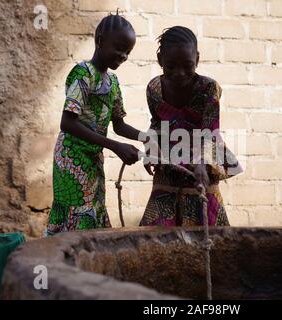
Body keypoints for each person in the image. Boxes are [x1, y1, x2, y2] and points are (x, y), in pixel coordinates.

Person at [46, 12, 144, 235]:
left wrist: (147, 138)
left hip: (93, 157)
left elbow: (119, 125)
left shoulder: (113, 82)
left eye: (128, 52)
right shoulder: (83, 74)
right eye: (119, 48)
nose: (123, 55)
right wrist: (115, 146)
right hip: (71, 157)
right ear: (100, 40)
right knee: (77, 210)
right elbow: (67, 123)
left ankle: (85, 262)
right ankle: (65, 262)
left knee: (93, 209)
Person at [140, 26, 243, 227]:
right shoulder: (154, 89)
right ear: (160, 59)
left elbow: (209, 130)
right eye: (171, 66)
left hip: (202, 160)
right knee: (159, 234)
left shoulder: (208, 89)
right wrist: (150, 148)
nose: (179, 73)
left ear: (197, 58)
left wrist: (201, 164)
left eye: (187, 65)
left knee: (207, 225)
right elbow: (156, 122)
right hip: (168, 162)